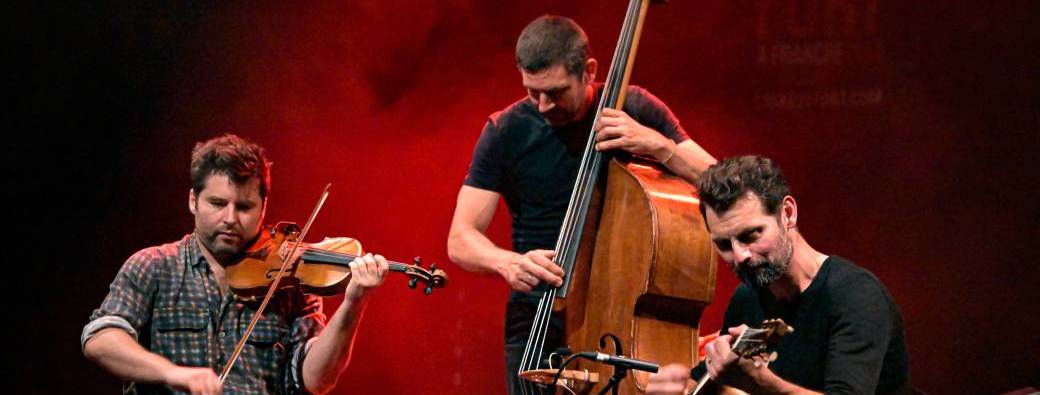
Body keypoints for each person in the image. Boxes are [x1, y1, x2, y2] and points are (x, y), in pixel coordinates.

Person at [446, 15, 716, 394]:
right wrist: (507, 262)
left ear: (589, 71)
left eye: (555, 92)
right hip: (539, 319)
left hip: (625, 317)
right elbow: (460, 238)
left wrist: (659, 146)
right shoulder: (504, 130)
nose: (542, 105)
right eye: (531, 91)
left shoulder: (634, 106)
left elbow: (723, 183)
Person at [82, 134, 389, 395]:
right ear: (193, 201)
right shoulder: (153, 266)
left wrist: (353, 302)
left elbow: (316, 380)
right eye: (217, 204)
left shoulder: (291, 282)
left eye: (244, 207)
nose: (230, 218)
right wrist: (175, 374)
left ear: (263, 207)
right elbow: (101, 338)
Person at [646, 155, 910, 395]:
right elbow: (711, 386)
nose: (739, 256)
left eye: (751, 235)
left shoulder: (856, 296)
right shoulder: (746, 299)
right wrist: (682, 388)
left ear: (788, 214)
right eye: (724, 245)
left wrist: (758, 383)